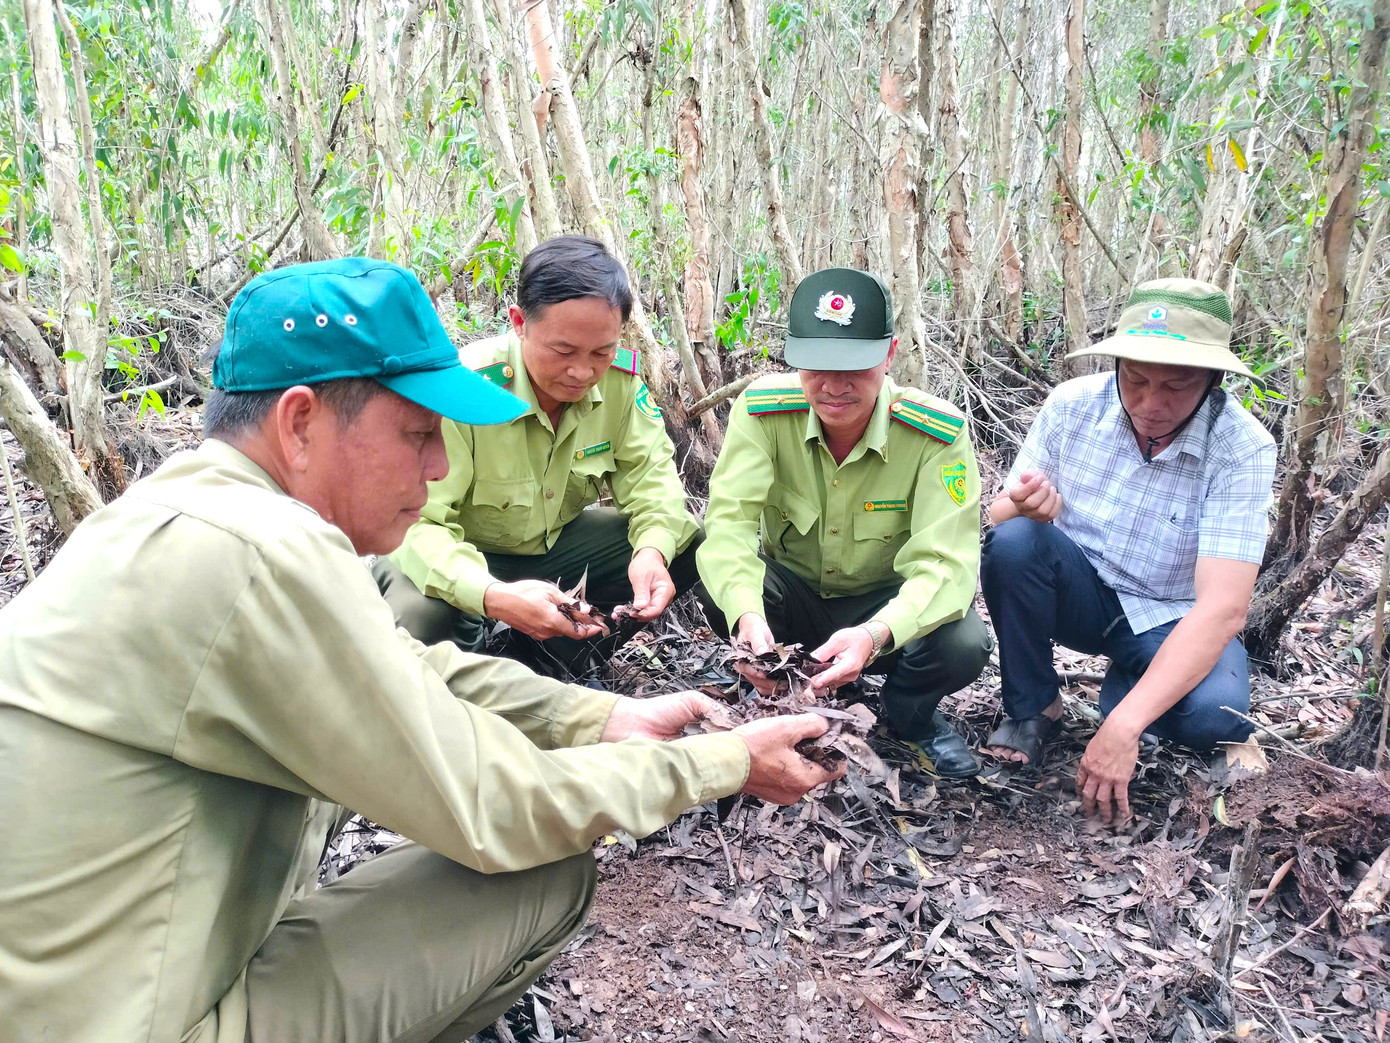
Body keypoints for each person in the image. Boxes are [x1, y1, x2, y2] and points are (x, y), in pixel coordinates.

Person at [0, 258, 842, 1042]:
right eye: (417, 434)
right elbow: (492, 807)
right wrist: (721, 762)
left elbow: (406, 668)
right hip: (135, 1020)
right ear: (300, 424)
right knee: (542, 874)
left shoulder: (190, 509)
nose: (440, 465)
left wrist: (605, 715)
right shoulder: (257, 553)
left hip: (96, 988)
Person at [980, 278, 1276, 823]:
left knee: (1216, 718)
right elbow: (998, 519)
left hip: (1168, 614)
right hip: (1078, 590)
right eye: (1134, 380)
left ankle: (1125, 697)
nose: (1150, 404)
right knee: (1016, 543)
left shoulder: (1242, 447)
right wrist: (1025, 506)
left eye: (1176, 386)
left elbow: (1223, 607)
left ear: (1213, 382)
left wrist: (1123, 727)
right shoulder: (1072, 406)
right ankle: (1033, 708)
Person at [697, 267, 992, 779]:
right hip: (793, 601)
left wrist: (877, 634)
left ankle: (910, 717)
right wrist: (747, 616)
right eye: (816, 366)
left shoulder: (935, 434)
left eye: (855, 367)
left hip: (883, 606)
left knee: (963, 641)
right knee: (718, 575)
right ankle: (769, 688)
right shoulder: (765, 411)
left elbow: (946, 566)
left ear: (890, 353)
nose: (834, 387)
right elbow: (730, 526)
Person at [375, 235, 699, 671]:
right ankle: (460, 672)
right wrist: (489, 594)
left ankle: (558, 659)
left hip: (554, 549)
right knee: (419, 618)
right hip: (459, 551)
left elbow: (654, 482)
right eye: (563, 351)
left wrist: (652, 553)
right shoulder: (468, 388)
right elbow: (418, 525)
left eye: (602, 352)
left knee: (685, 542)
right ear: (519, 322)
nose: (582, 372)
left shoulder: (620, 383)